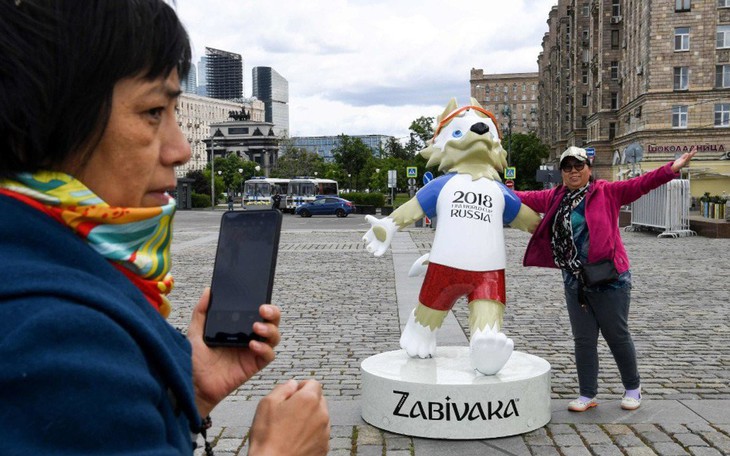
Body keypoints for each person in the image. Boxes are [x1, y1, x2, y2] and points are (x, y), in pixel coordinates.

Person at [0, 1, 329, 454]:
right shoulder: (60, 338)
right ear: (50, 113)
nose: (179, 149)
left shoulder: (41, 270)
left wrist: (188, 390)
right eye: (154, 111)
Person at [515, 146, 695, 412]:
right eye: (568, 167)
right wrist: (484, 184)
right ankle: (587, 394)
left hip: (610, 278)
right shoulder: (555, 197)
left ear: (589, 169)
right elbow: (522, 196)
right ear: (562, 172)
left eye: (579, 166)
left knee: (617, 335)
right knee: (583, 339)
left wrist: (671, 168)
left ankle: (633, 388)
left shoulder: (607, 192)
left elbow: (641, 184)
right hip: (575, 280)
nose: (574, 172)